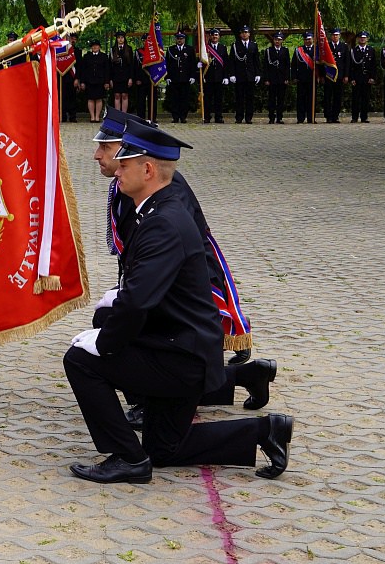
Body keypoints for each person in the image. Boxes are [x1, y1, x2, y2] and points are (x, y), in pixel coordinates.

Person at [64, 119, 293, 484]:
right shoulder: (158, 209)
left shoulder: (163, 221)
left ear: (148, 169)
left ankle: (127, 457)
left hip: (180, 358)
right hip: (182, 348)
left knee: (80, 360)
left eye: (124, 165)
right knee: (164, 449)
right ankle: (264, 432)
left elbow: (138, 302)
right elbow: (146, 292)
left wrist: (103, 342)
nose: (116, 171)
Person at [92, 108, 263, 430]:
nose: (97, 155)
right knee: (136, 330)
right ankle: (246, 375)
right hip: (160, 277)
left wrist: (132, 293)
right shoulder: (127, 184)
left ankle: (147, 400)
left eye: (106, 147)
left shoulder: (160, 187)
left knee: (132, 329)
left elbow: (167, 247)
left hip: (183, 280)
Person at [229, 25, 260, 123]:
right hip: (239, 75)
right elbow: (232, 61)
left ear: (249, 34)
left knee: (250, 98)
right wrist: (232, 74)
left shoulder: (253, 45)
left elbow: (256, 61)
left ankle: (248, 117)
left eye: (246, 32)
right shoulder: (235, 45)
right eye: (242, 32)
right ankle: (239, 117)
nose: (244, 34)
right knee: (239, 98)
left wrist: (258, 74)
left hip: (250, 75)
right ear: (240, 34)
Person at [165, 32, 197, 123]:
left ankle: (183, 117)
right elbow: (167, 64)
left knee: (184, 99)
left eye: (181, 38)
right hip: (174, 78)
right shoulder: (171, 50)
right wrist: (167, 77)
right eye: (178, 38)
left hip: (185, 78)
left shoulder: (190, 49)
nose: (179, 40)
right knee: (174, 99)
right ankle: (175, 117)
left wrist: (192, 76)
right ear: (176, 39)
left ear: (184, 39)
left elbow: (192, 64)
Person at [347, 31, 377, 123]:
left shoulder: (371, 50)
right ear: (357, 39)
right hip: (357, 78)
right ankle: (354, 117)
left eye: (364, 38)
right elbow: (350, 66)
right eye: (360, 38)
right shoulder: (353, 51)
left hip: (367, 78)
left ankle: (364, 117)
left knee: (366, 99)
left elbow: (373, 65)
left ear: (367, 39)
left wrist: (372, 77)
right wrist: (351, 78)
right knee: (355, 99)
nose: (362, 39)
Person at [78, 39, 110, 123]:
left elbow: (107, 70)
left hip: (100, 81)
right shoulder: (86, 57)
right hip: (89, 81)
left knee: (99, 99)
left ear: (99, 47)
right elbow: (83, 70)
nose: (95, 47)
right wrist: (82, 82)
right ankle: (92, 117)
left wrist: (107, 82)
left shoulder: (104, 56)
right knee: (90, 99)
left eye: (96, 45)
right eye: (93, 45)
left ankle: (97, 116)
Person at [200, 28, 228, 124]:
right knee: (207, 99)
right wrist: (199, 65)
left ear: (219, 36)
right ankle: (207, 117)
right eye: (213, 35)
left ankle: (218, 117)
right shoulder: (205, 48)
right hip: (208, 77)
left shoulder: (223, 48)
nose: (214, 37)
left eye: (216, 35)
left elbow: (226, 63)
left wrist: (225, 76)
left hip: (219, 77)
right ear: (210, 36)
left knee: (219, 99)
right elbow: (202, 61)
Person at [262, 32, 290, 124]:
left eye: (279, 39)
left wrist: (287, 78)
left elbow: (287, 65)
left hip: (282, 78)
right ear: (273, 40)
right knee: (271, 99)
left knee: (281, 99)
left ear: (282, 40)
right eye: (276, 39)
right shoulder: (269, 51)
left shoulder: (285, 50)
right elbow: (265, 66)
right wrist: (266, 79)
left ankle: (279, 117)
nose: (277, 41)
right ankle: (271, 117)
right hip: (272, 78)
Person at [323, 28, 350, 122]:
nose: (335, 36)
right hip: (329, 75)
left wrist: (346, 75)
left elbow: (347, 62)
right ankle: (328, 116)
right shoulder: (327, 46)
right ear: (331, 36)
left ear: (339, 36)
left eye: (337, 35)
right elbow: (323, 62)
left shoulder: (344, 47)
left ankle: (335, 116)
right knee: (327, 96)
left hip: (339, 75)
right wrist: (322, 75)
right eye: (333, 35)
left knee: (337, 97)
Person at [292, 31, 317, 123]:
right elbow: (294, 65)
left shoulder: (316, 50)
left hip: (313, 79)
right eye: (306, 39)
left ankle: (311, 118)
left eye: (309, 39)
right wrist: (294, 76)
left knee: (312, 99)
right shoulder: (299, 50)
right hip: (301, 78)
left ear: (313, 39)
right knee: (301, 99)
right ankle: (300, 118)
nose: (307, 41)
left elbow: (322, 65)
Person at [109, 31, 136, 112]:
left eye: (122, 38)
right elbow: (110, 66)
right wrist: (110, 79)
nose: (120, 39)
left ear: (124, 39)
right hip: (115, 77)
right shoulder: (113, 50)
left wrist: (131, 78)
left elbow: (131, 65)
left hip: (126, 76)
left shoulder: (129, 49)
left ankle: (124, 114)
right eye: (118, 38)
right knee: (117, 95)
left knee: (124, 95)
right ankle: (118, 115)